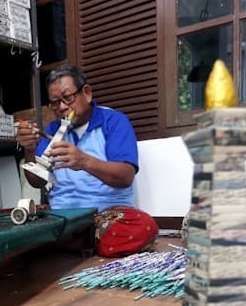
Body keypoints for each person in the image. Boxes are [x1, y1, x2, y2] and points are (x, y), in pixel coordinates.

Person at [16, 65, 158, 257]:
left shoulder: (114, 121)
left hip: (105, 215)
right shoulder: (52, 129)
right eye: (55, 103)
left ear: (87, 93)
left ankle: (69, 241)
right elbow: (37, 181)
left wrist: (84, 161)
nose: (63, 107)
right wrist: (30, 149)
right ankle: (77, 240)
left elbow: (125, 177)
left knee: (143, 227)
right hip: (62, 214)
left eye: (68, 98)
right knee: (10, 219)